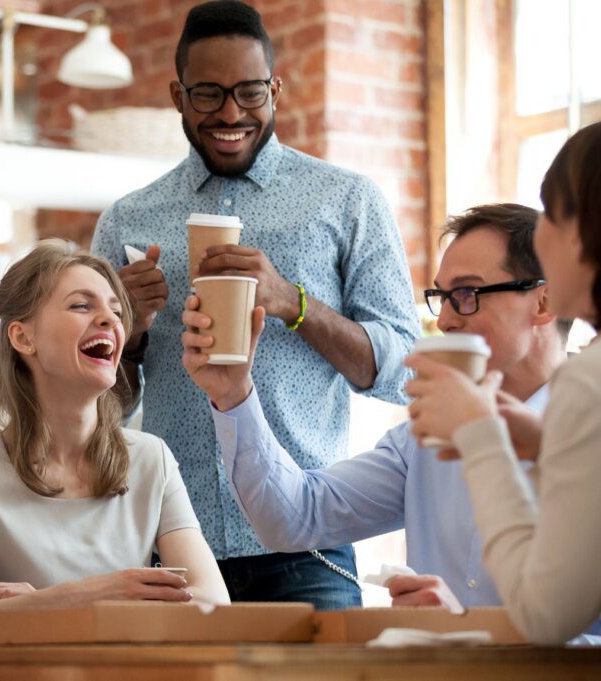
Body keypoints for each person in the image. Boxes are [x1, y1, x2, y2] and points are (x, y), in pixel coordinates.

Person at [91, 0, 419, 608]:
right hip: (173, 548)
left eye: (249, 92)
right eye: (208, 94)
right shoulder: (128, 221)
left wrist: (293, 302)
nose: (231, 113)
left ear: (276, 88)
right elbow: (101, 406)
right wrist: (128, 338)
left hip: (309, 550)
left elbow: (403, 374)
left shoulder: (346, 201)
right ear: (178, 96)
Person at [181, 203, 577, 614]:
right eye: (440, 297)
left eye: (465, 295)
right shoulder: (423, 441)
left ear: (545, 302)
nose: (443, 320)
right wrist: (233, 392)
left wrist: (476, 629)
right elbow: (295, 516)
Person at [0, 242, 229, 625]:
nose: (109, 319)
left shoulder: (151, 459)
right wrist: (80, 596)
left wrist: (42, 603)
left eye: (114, 308)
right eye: (81, 305)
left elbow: (212, 607)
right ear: (23, 338)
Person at [406, 122, 601, 644]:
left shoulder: (588, 384)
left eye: (554, 216)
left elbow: (546, 615)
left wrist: (480, 436)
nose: (446, 319)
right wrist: (548, 445)